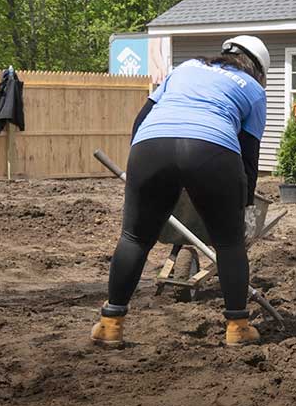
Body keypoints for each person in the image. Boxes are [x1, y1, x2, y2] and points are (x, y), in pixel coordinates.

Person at [92, 35, 270, 348]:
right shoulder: (253, 90)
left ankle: (110, 323)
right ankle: (238, 328)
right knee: (229, 244)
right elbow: (249, 154)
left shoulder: (186, 67)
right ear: (258, 69)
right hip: (212, 149)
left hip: (151, 145)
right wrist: (242, 207)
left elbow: (141, 120)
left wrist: (140, 171)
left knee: (134, 237)